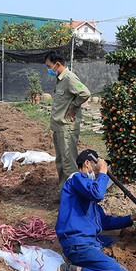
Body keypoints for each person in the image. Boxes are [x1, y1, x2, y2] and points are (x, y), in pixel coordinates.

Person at [56, 149, 136, 271]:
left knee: (120, 244)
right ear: (87, 163)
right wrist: (103, 171)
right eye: (97, 166)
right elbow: (98, 193)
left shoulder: (87, 194)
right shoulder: (76, 179)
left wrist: (134, 217)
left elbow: (105, 223)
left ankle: (80, 259)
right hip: (79, 243)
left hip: (90, 240)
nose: (99, 171)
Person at [45, 51, 91, 185]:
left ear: (57, 64)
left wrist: (73, 108)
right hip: (59, 127)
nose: (48, 69)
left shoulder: (69, 78)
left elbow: (85, 93)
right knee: (60, 162)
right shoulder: (60, 79)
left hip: (67, 128)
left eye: (49, 66)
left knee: (68, 163)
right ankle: (64, 194)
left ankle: (74, 198)